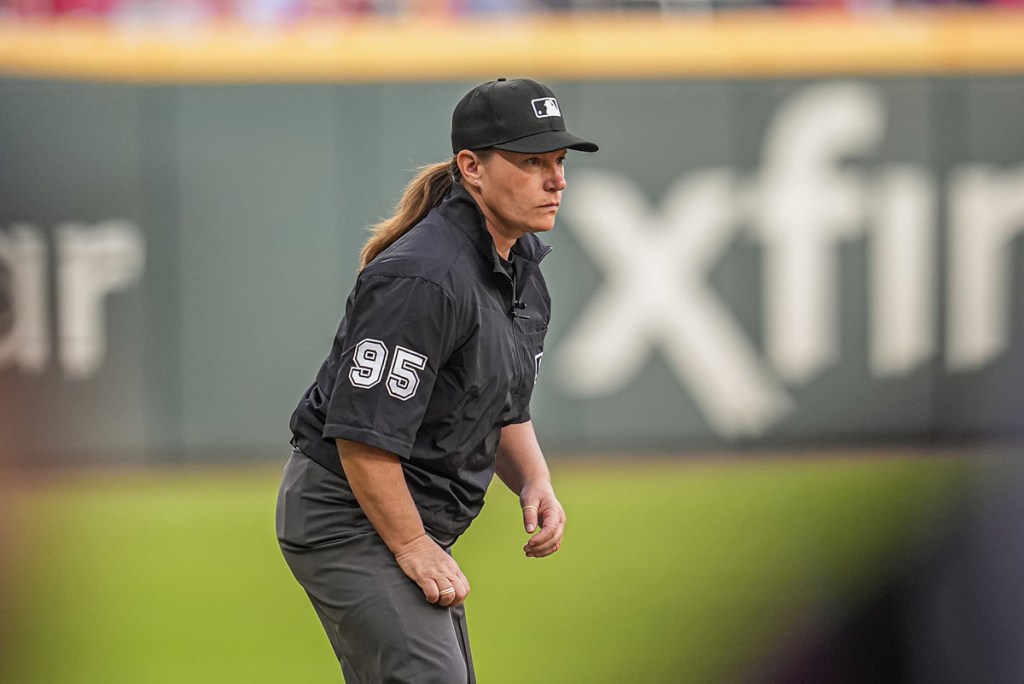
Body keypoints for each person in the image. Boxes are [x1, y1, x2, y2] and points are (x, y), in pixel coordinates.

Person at [275, 77, 598, 683]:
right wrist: (411, 545)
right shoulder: (424, 278)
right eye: (532, 162)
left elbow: (501, 404)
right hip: (349, 515)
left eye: (558, 161)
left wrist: (534, 480)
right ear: (471, 167)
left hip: (398, 513)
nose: (556, 179)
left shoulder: (517, 265)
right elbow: (362, 436)